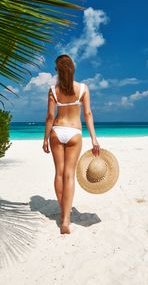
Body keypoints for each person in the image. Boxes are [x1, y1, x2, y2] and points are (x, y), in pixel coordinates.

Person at [42, 54, 100, 234]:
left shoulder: (53, 90)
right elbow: (88, 115)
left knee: (59, 173)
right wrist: (94, 138)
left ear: (58, 71)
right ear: (72, 69)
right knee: (69, 175)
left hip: (57, 131)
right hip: (74, 132)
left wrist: (45, 138)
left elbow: (50, 116)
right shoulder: (83, 88)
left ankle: (62, 210)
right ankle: (66, 220)